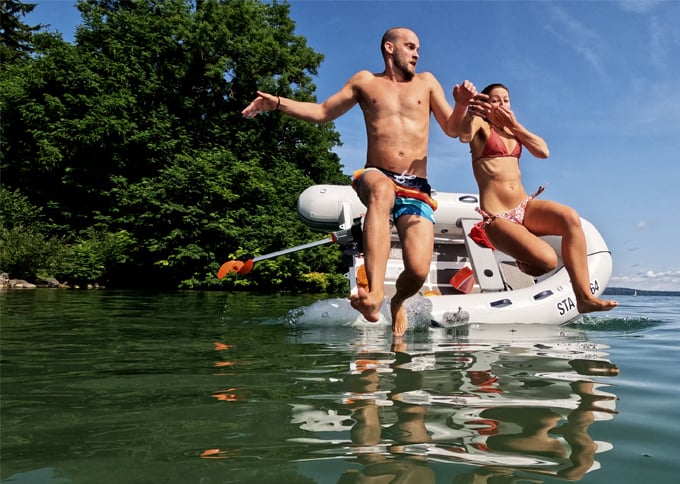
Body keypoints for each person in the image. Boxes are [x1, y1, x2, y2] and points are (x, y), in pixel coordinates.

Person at [242, 28, 470, 337]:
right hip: (378, 173)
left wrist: (460, 105)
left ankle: (397, 301)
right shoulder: (365, 81)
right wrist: (279, 103)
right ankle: (375, 294)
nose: (417, 53)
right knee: (380, 189)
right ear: (389, 48)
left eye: (418, 48)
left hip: (417, 186)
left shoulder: (427, 82)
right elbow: (322, 112)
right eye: (411, 46)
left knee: (417, 272)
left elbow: (454, 130)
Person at [453, 82, 617, 313]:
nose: (502, 103)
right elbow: (463, 135)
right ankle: (525, 264)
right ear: (485, 104)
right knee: (547, 262)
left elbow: (543, 151)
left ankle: (583, 296)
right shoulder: (480, 126)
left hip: (523, 207)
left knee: (569, 217)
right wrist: (469, 111)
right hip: (498, 218)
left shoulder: (512, 130)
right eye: (496, 100)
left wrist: (515, 125)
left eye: (506, 100)